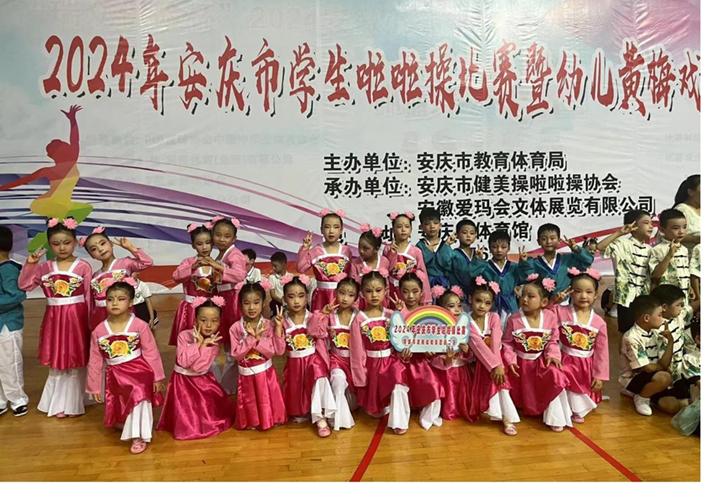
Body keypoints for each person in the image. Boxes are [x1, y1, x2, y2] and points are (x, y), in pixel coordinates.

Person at [19, 217, 92, 418]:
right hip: (55, 319)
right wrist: (30, 264)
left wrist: (90, 322)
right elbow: (25, 285)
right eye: (56, 243)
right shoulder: (45, 267)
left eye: (66, 242)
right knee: (58, 358)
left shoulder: (83, 266)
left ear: (75, 242)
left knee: (76, 358)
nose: (62, 247)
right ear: (49, 245)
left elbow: (89, 296)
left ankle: (76, 402)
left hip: (77, 318)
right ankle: (58, 403)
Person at [87, 280, 165, 454]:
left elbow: (151, 352)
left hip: (139, 371)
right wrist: (94, 386)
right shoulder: (99, 330)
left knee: (139, 397)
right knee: (121, 401)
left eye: (121, 299)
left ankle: (139, 435)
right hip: (114, 374)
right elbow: (95, 360)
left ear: (131, 302)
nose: (114, 303)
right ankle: (126, 423)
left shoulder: (139, 325)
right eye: (110, 299)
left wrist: (157, 377)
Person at [157, 297, 236, 440]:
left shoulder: (214, 342)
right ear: (195, 321)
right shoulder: (184, 336)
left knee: (206, 407)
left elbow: (198, 367)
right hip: (182, 381)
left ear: (219, 322)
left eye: (214, 321)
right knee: (185, 409)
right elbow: (183, 362)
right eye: (203, 320)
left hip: (201, 380)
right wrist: (198, 344)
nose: (208, 325)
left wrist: (205, 345)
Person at [502, 274, 572, 431]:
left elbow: (552, 341)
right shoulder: (514, 319)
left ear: (544, 302)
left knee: (555, 374)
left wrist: (553, 356)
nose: (524, 299)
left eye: (530, 296)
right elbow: (507, 343)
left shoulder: (550, 317)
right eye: (523, 295)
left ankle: (555, 417)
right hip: (520, 363)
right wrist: (511, 360)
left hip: (540, 362)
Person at [350, 271, 411, 434]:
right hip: (372, 364)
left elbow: (405, 335)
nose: (374, 295)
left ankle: (400, 422)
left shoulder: (391, 315)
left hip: (391, 361)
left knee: (398, 383)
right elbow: (357, 351)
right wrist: (361, 376)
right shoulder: (359, 319)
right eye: (369, 291)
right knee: (376, 412)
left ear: (386, 291)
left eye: (378, 290)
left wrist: (402, 312)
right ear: (362, 293)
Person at [276, 275, 336, 437]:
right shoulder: (282, 321)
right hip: (294, 364)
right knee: (298, 399)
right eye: (291, 296)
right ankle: (306, 411)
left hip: (313, 359)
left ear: (307, 297)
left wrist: (321, 315)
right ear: (284, 299)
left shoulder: (314, 316)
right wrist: (278, 328)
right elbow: (279, 351)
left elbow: (318, 333)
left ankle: (321, 418)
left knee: (319, 376)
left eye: (301, 296)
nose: (296, 301)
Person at [549, 268, 609, 423]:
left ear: (596, 294)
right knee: (560, 379)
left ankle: (578, 410)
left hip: (586, 365)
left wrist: (599, 376)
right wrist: (554, 301)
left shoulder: (599, 322)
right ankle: (560, 412)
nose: (583, 296)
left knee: (580, 390)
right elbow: (545, 315)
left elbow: (602, 352)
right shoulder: (560, 312)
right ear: (570, 292)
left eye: (589, 292)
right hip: (565, 360)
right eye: (578, 291)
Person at [461, 277, 519, 435]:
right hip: (482, 362)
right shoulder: (465, 320)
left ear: (492, 304)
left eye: (487, 303)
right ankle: (497, 413)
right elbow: (477, 345)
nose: (482, 306)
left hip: (498, 358)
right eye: (478, 301)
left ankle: (508, 419)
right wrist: (494, 366)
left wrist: (498, 365)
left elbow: (495, 342)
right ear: (470, 299)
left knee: (502, 387)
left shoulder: (494, 317)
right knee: (493, 386)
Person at [229, 281, 287, 431]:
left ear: (263, 303)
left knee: (265, 399)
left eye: (256, 302)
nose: (251, 308)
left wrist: (276, 330)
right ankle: (251, 421)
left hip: (266, 375)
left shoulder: (269, 325)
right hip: (246, 376)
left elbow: (277, 351)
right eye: (246, 303)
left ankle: (271, 419)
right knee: (249, 400)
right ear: (240, 305)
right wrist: (251, 339)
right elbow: (236, 354)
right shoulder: (235, 328)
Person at [310, 277, 362, 431]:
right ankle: (338, 420)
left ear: (356, 298)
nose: (345, 298)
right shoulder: (330, 315)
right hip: (336, 360)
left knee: (354, 401)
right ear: (335, 293)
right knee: (338, 381)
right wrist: (321, 314)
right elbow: (314, 332)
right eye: (342, 293)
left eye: (350, 295)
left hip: (355, 362)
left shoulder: (359, 316)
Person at [393, 281, 446, 431]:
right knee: (398, 387)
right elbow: (393, 341)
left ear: (422, 292)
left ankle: (428, 417)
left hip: (423, 362)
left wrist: (430, 352)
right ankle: (400, 421)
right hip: (402, 363)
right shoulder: (395, 314)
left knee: (435, 386)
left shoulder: (429, 314)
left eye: (415, 291)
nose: (410, 296)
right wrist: (402, 353)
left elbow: (434, 340)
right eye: (405, 291)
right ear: (400, 292)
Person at [81, 226, 153, 329]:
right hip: (101, 315)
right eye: (94, 249)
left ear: (111, 244)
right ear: (92, 255)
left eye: (102, 243)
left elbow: (147, 262)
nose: (100, 249)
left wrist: (130, 247)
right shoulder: (95, 276)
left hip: (123, 313)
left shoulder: (125, 263)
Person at [597, 209, 654, 332]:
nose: (651, 226)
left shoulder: (649, 249)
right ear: (634, 225)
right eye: (646, 223)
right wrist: (620, 233)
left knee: (642, 331)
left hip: (644, 297)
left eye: (651, 223)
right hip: (626, 298)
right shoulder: (622, 243)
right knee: (625, 331)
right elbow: (600, 246)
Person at [210, 216, 248, 394]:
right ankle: (225, 384)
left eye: (227, 236)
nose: (221, 239)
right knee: (227, 345)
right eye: (218, 235)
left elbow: (239, 275)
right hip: (222, 299)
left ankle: (229, 385)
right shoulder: (220, 254)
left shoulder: (234, 254)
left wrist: (218, 268)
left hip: (232, 300)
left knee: (233, 345)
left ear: (234, 239)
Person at [619, 295, 674, 416]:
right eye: (660, 315)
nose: (663, 320)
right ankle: (641, 397)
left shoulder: (657, 333)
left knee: (673, 405)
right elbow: (646, 368)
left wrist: (670, 341)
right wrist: (661, 368)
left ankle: (650, 392)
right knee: (664, 377)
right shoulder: (631, 337)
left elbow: (665, 363)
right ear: (646, 318)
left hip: (653, 374)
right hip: (633, 378)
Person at [649, 284, 700, 414]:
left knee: (686, 400)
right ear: (664, 307)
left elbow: (691, 307)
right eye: (678, 305)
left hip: (679, 377)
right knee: (671, 406)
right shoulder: (654, 329)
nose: (681, 308)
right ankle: (650, 397)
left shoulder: (679, 316)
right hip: (664, 377)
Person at [468, 230, 531, 328]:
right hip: (492, 305)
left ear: (509, 248)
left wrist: (524, 263)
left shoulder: (514, 267)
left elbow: (526, 277)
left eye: (503, 247)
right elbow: (473, 276)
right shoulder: (485, 266)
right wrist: (478, 261)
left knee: (512, 330)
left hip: (511, 305)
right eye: (494, 247)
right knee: (492, 330)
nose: (499, 250)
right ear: (489, 248)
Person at [169, 223, 219, 346]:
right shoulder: (188, 262)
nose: (204, 247)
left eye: (208, 242)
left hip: (210, 310)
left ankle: (208, 357)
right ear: (193, 245)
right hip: (190, 309)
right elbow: (176, 277)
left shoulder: (217, 263)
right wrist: (193, 267)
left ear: (213, 243)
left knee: (210, 340)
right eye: (199, 244)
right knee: (189, 340)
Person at [297, 209, 353, 312]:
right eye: (327, 227)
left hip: (342, 295)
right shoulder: (316, 250)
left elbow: (350, 275)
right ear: (321, 230)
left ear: (341, 230)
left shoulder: (346, 251)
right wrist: (305, 248)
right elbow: (301, 268)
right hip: (321, 296)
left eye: (336, 227)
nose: (331, 231)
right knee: (320, 320)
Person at [0, 227, 28, 417]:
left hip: (7, 325)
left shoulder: (9, 269)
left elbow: (16, 295)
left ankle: (18, 399)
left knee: (10, 363)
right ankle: (1, 400)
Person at [529, 223, 594, 295]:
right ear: (538, 241)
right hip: (543, 301)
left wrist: (576, 249)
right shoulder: (534, 263)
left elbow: (588, 261)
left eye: (552, 238)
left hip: (566, 300)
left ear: (559, 240)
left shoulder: (568, 259)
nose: (548, 242)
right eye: (544, 239)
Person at [383, 211, 431, 309]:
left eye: (407, 226)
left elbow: (423, 275)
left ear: (411, 230)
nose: (403, 230)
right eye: (399, 226)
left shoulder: (416, 251)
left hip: (410, 291)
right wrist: (392, 254)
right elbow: (385, 271)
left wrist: (425, 299)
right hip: (393, 289)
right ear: (393, 230)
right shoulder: (387, 249)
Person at [416, 207, 468, 290]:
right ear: (421, 227)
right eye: (427, 224)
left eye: (435, 223)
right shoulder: (419, 246)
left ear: (440, 226)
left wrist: (446, 245)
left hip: (445, 283)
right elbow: (419, 266)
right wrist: (429, 252)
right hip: (426, 284)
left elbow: (447, 265)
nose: (432, 226)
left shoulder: (445, 244)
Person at [649, 208, 691, 301]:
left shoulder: (684, 249)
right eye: (676, 228)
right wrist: (669, 256)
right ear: (662, 230)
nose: (681, 231)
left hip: (684, 294)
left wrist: (690, 287)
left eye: (684, 227)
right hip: (666, 297)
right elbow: (655, 275)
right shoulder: (658, 250)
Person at [350, 224, 389, 310]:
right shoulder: (355, 264)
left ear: (376, 249)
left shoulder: (384, 261)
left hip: (381, 302)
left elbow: (387, 285)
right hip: (362, 303)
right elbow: (353, 287)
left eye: (365, 248)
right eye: (359, 246)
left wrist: (388, 301)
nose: (361, 251)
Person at [673, 174, 700, 253]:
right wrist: (694, 239)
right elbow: (668, 235)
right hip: (688, 257)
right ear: (691, 192)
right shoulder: (681, 210)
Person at [267, 251, 288, 315]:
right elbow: (273, 295)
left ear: (283, 265)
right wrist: (283, 303)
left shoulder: (290, 277)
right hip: (277, 303)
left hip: (289, 303)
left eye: (275, 266)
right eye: (272, 266)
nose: (273, 268)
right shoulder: (272, 277)